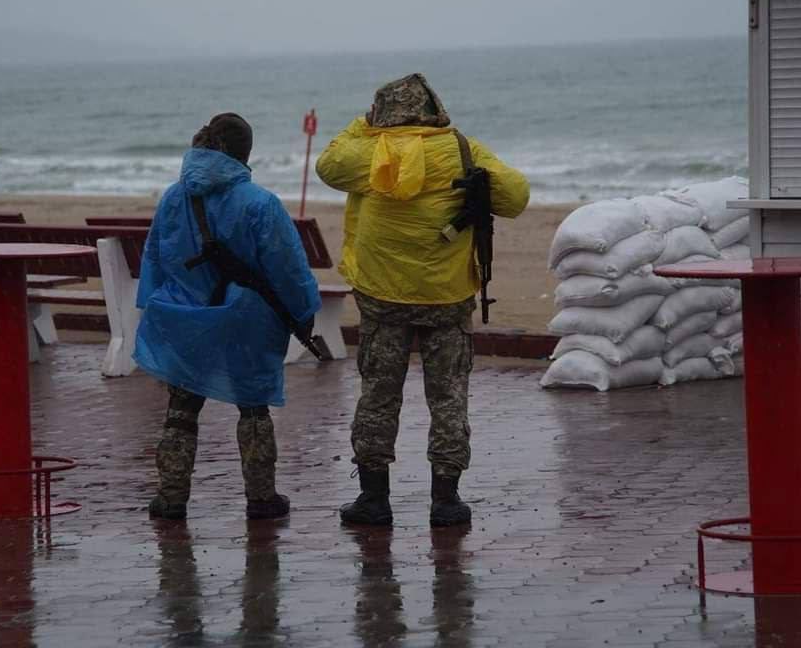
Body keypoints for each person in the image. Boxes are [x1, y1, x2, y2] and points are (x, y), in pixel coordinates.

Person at [316, 74, 529, 527]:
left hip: (381, 296)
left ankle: (374, 499)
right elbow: (516, 198)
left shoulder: (371, 154)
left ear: (382, 115)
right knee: (449, 395)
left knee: (378, 394)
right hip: (448, 296)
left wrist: (362, 125)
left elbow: (328, 165)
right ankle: (446, 501)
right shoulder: (463, 148)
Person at [135, 112, 321, 521]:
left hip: (186, 316)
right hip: (244, 319)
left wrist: (154, 304)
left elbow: (155, 257)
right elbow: (287, 268)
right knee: (253, 407)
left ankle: (171, 497)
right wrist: (304, 312)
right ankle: (261, 498)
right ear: (244, 155)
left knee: (181, 408)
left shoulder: (173, 197)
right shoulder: (260, 204)